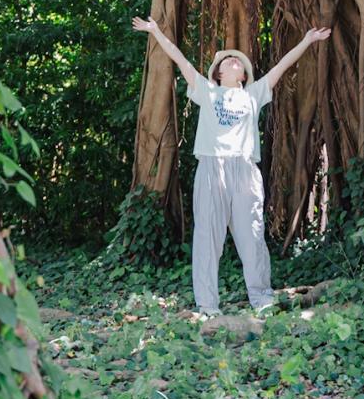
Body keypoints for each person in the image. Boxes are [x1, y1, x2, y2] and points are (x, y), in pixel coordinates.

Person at [131, 16, 332, 317]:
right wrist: (155, 31)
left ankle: (262, 299)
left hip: (245, 170)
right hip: (212, 168)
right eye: (228, 60)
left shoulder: (253, 94)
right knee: (207, 239)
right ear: (218, 72)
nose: (235, 62)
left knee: (252, 234)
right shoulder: (207, 91)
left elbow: (281, 67)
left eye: (239, 62)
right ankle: (208, 306)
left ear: (243, 75)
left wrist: (307, 40)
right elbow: (180, 60)